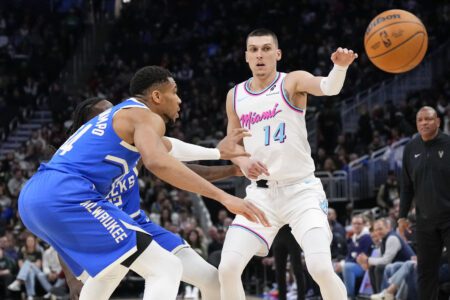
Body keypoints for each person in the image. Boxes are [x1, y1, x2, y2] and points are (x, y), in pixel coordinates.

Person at [18, 66, 269, 300]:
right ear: (157, 96)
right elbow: (159, 161)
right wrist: (223, 197)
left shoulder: (125, 126)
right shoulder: (144, 115)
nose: (180, 100)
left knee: (121, 271)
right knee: (165, 268)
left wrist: (218, 154)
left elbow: (169, 149)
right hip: (68, 198)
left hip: (49, 200)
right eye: (175, 93)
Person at [60, 96, 247, 300]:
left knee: (211, 278)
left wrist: (232, 170)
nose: (115, 115)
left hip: (137, 225)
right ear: (90, 126)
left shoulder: (133, 145)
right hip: (100, 234)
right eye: (106, 114)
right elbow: (59, 229)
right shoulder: (72, 166)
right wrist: (71, 279)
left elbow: (181, 169)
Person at [218, 28, 357, 300]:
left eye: (266, 49)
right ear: (246, 56)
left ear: (277, 54)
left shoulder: (292, 81)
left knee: (320, 268)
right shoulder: (235, 96)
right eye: (254, 49)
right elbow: (232, 144)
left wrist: (339, 68)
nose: (260, 55)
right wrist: (243, 161)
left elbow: (328, 87)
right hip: (260, 196)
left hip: (301, 192)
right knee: (227, 269)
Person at [399, 106, 450, 300]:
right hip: (424, 221)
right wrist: (402, 216)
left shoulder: (448, 144)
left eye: (428, 119)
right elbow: (406, 186)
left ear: (437, 121)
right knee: (426, 273)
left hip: (448, 218)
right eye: (420, 120)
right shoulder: (411, 148)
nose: (424, 123)